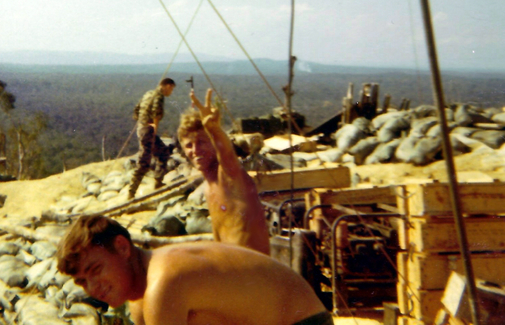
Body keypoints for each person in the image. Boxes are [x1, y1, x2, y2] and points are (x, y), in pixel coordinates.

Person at [57, 214, 333, 325]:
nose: (93, 288)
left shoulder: (164, 281)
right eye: (82, 282)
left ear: (122, 247)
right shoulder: (141, 296)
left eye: (96, 270)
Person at [177, 88, 271, 255]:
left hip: (253, 270)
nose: (195, 150)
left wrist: (214, 130)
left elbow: (227, 154)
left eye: (201, 142)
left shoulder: (228, 175)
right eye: (189, 146)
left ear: (213, 143)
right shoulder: (208, 188)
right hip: (231, 269)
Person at [128, 78, 176, 199]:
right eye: (171, 89)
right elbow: (156, 113)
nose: (171, 92)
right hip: (148, 131)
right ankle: (131, 193)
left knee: (163, 153)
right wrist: (153, 130)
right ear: (167, 86)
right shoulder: (159, 96)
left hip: (142, 128)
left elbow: (136, 109)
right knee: (144, 162)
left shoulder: (148, 93)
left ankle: (158, 183)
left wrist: (141, 121)